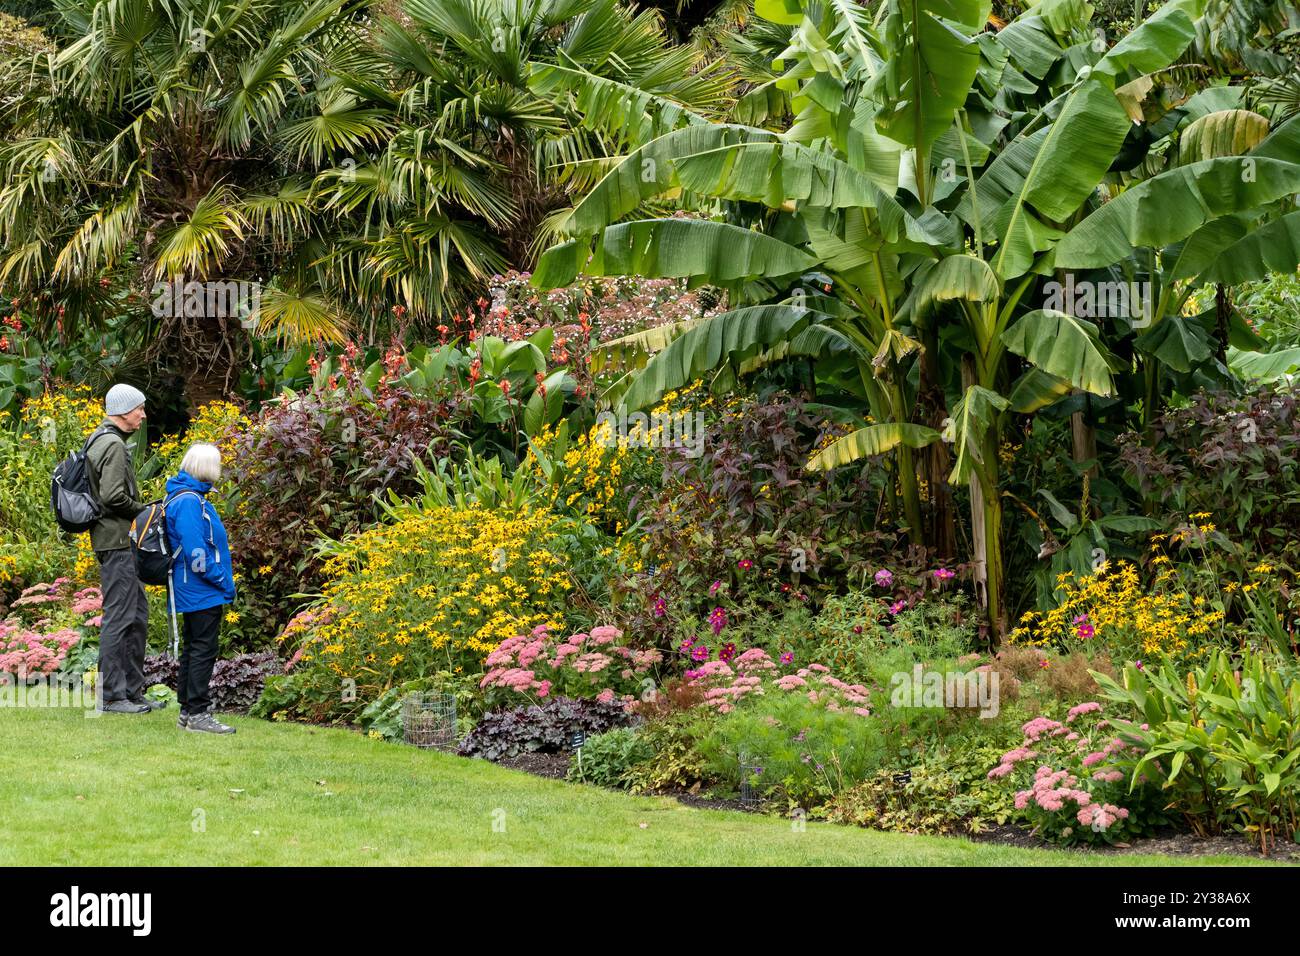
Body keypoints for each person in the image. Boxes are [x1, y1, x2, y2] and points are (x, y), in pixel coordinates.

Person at [87, 384, 160, 714]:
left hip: (115, 541)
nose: (143, 416)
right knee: (120, 616)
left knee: (137, 614)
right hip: (116, 542)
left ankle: (131, 691)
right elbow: (112, 496)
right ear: (122, 410)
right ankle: (113, 696)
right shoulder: (113, 445)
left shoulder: (99, 439)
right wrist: (142, 510)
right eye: (139, 409)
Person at [165, 443, 237, 734]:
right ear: (208, 467)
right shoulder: (189, 501)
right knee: (203, 649)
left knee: (195, 648)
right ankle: (197, 713)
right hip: (199, 588)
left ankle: (188, 712)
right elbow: (196, 552)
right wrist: (221, 579)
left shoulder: (188, 497)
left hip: (195, 587)